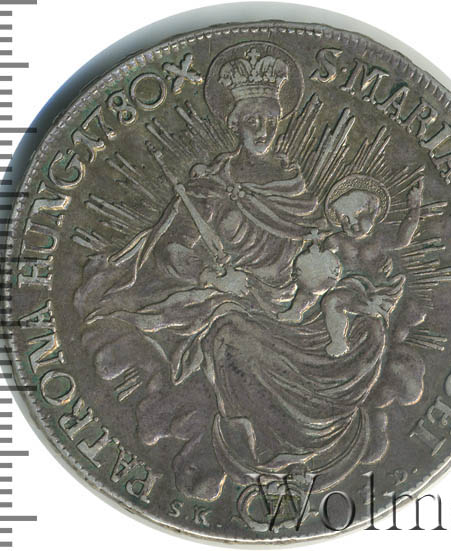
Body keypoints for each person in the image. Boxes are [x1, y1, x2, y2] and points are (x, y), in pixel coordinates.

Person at [75, 43, 423, 501]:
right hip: (236, 300)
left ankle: (322, 445)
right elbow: (171, 252)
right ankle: (263, 452)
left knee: (367, 328)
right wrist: (212, 275)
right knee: (232, 338)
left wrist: (320, 278)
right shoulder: (211, 187)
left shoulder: (292, 184)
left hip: (300, 302)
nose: (262, 130)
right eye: (252, 121)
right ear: (234, 124)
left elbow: (313, 240)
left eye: (270, 121)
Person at [278, 175, 424, 357]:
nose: (351, 224)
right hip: (346, 285)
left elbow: (403, 239)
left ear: (373, 214)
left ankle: (339, 342)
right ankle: (296, 310)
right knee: (315, 280)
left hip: (375, 293)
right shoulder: (336, 240)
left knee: (332, 301)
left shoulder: (379, 240)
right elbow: (322, 261)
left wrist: (415, 209)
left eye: (358, 217)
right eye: (344, 220)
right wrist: (310, 261)